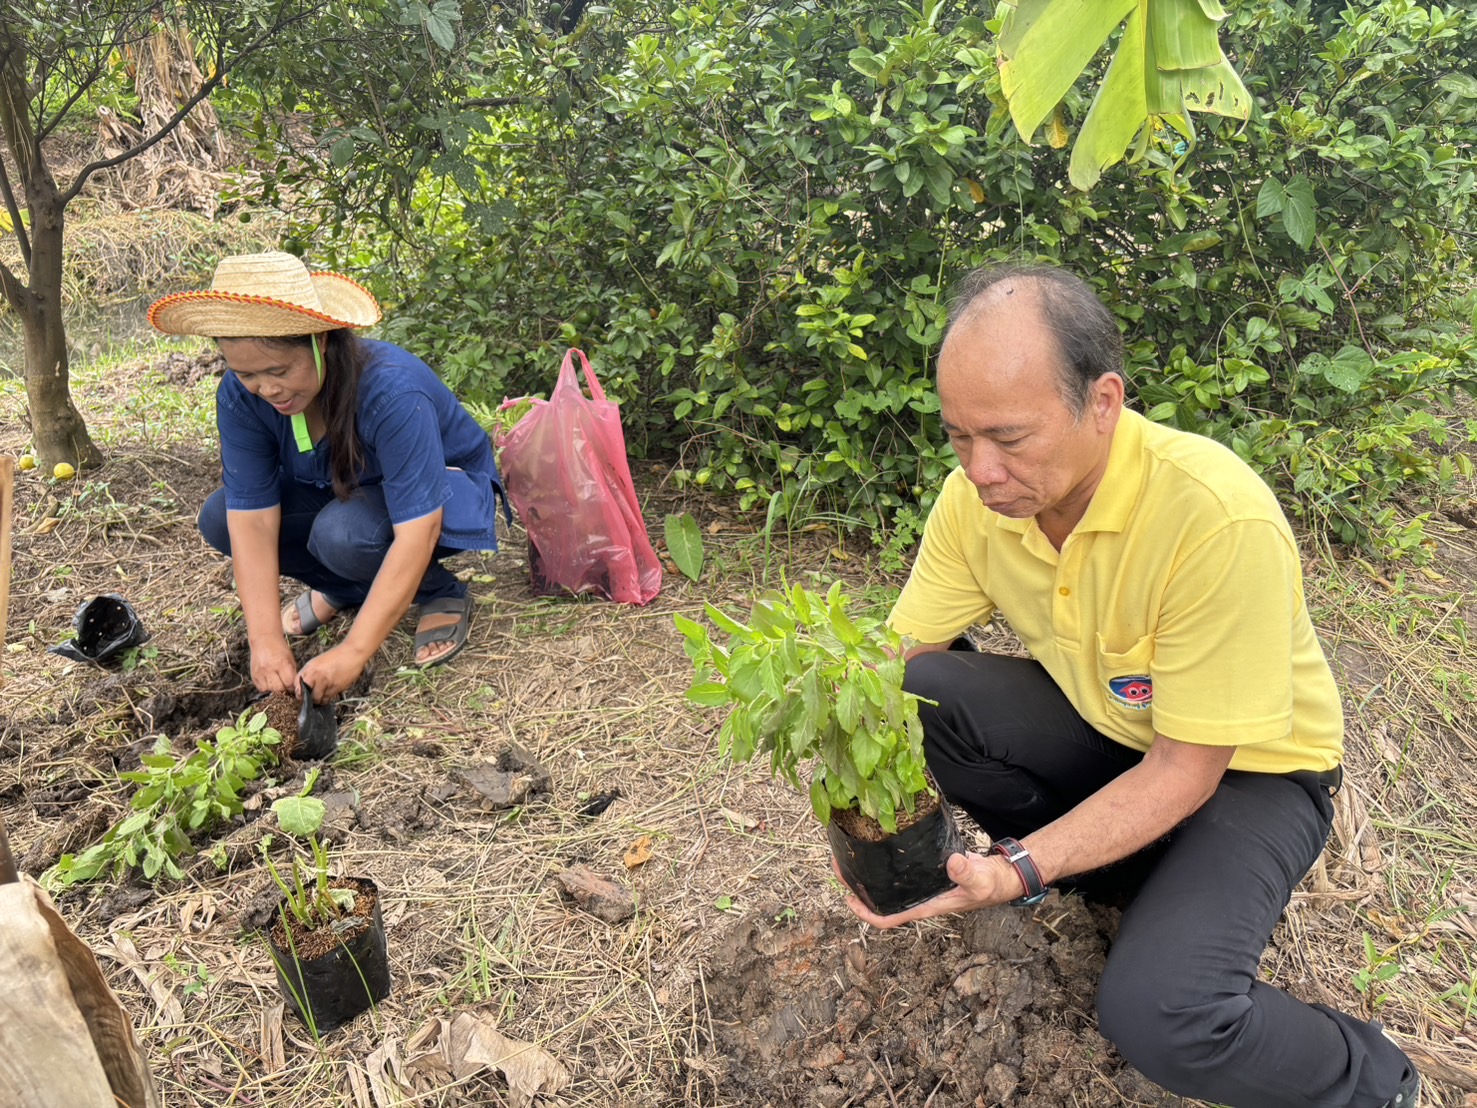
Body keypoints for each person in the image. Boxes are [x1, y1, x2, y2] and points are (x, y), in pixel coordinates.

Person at [839, 263, 1421, 1108]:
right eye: (958, 437)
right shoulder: (976, 501)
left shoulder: (1211, 516)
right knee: (930, 691)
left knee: (1163, 1017)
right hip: (1112, 731)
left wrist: (1018, 868)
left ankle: (1372, 1081)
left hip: (1252, 773)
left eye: (1007, 436)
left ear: (1102, 402)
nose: (980, 469)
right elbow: (898, 658)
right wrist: (826, 727)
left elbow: (1189, 766)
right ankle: (1127, 886)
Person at [150, 251, 508, 702]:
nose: (267, 389)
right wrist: (264, 641)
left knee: (345, 535)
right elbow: (253, 518)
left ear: (320, 340)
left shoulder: (391, 391)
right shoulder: (242, 399)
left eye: (279, 370)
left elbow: (421, 528)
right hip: (341, 491)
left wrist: (354, 651)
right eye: (246, 374)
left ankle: (438, 591)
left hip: (438, 498)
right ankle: (343, 587)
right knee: (220, 515)